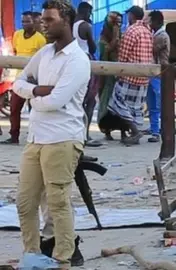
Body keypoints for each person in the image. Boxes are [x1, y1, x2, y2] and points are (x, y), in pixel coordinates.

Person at [13, 0, 90, 268]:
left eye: (49, 20)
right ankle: (32, 256)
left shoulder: (78, 60)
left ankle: (63, 260)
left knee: (57, 202)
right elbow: (18, 82)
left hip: (63, 138)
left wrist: (34, 97)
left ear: (66, 22)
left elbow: (56, 101)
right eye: (43, 20)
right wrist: (36, 91)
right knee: (25, 202)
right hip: (36, 137)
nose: (43, 24)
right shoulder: (44, 53)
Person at [107, 6, 153, 146]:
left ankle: (134, 131)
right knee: (135, 107)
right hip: (144, 76)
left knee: (118, 103)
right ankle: (131, 132)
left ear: (132, 16)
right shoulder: (147, 31)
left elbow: (123, 55)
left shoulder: (131, 30)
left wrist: (118, 72)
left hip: (129, 76)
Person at [1, 11, 46, 145]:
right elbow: (15, 53)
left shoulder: (40, 39)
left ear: (34, 22)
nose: (25, 24)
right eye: (23, 22)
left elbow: (42, 60)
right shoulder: (17, 35)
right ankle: (14, 136)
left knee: (35, 110)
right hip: (18, 78)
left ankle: (36, 137)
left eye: (28, 21)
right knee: (14, 108)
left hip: (33, 79)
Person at [73, 2, 100, 147]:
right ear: (87, 12)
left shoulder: (70, 24)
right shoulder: (85, 26)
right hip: (85, 60)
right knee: (90, 100)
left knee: (76, 100)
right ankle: (86, 135)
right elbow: (93, 48)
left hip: (71, 60)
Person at [97, 12, 125, 141]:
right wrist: (115, 36)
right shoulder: (103, 38)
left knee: (121, 104)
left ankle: (123, 131)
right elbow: (106, 50)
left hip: (120, 74)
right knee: (107, 103)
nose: (117, 25)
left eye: (119, 23)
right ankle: (107, 130)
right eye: (115, 22)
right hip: (107, 76)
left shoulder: (122, 34)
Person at [145, 10, 170, 143]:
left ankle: (158, 130)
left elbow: (151, 50)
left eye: (151, 21)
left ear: (158, 22)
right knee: (153, 103)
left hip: (159, 73)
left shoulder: (161, 36)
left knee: (158, 103)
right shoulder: (156, 34)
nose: (149, 24)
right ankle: (155, 129)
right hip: (154, 73)